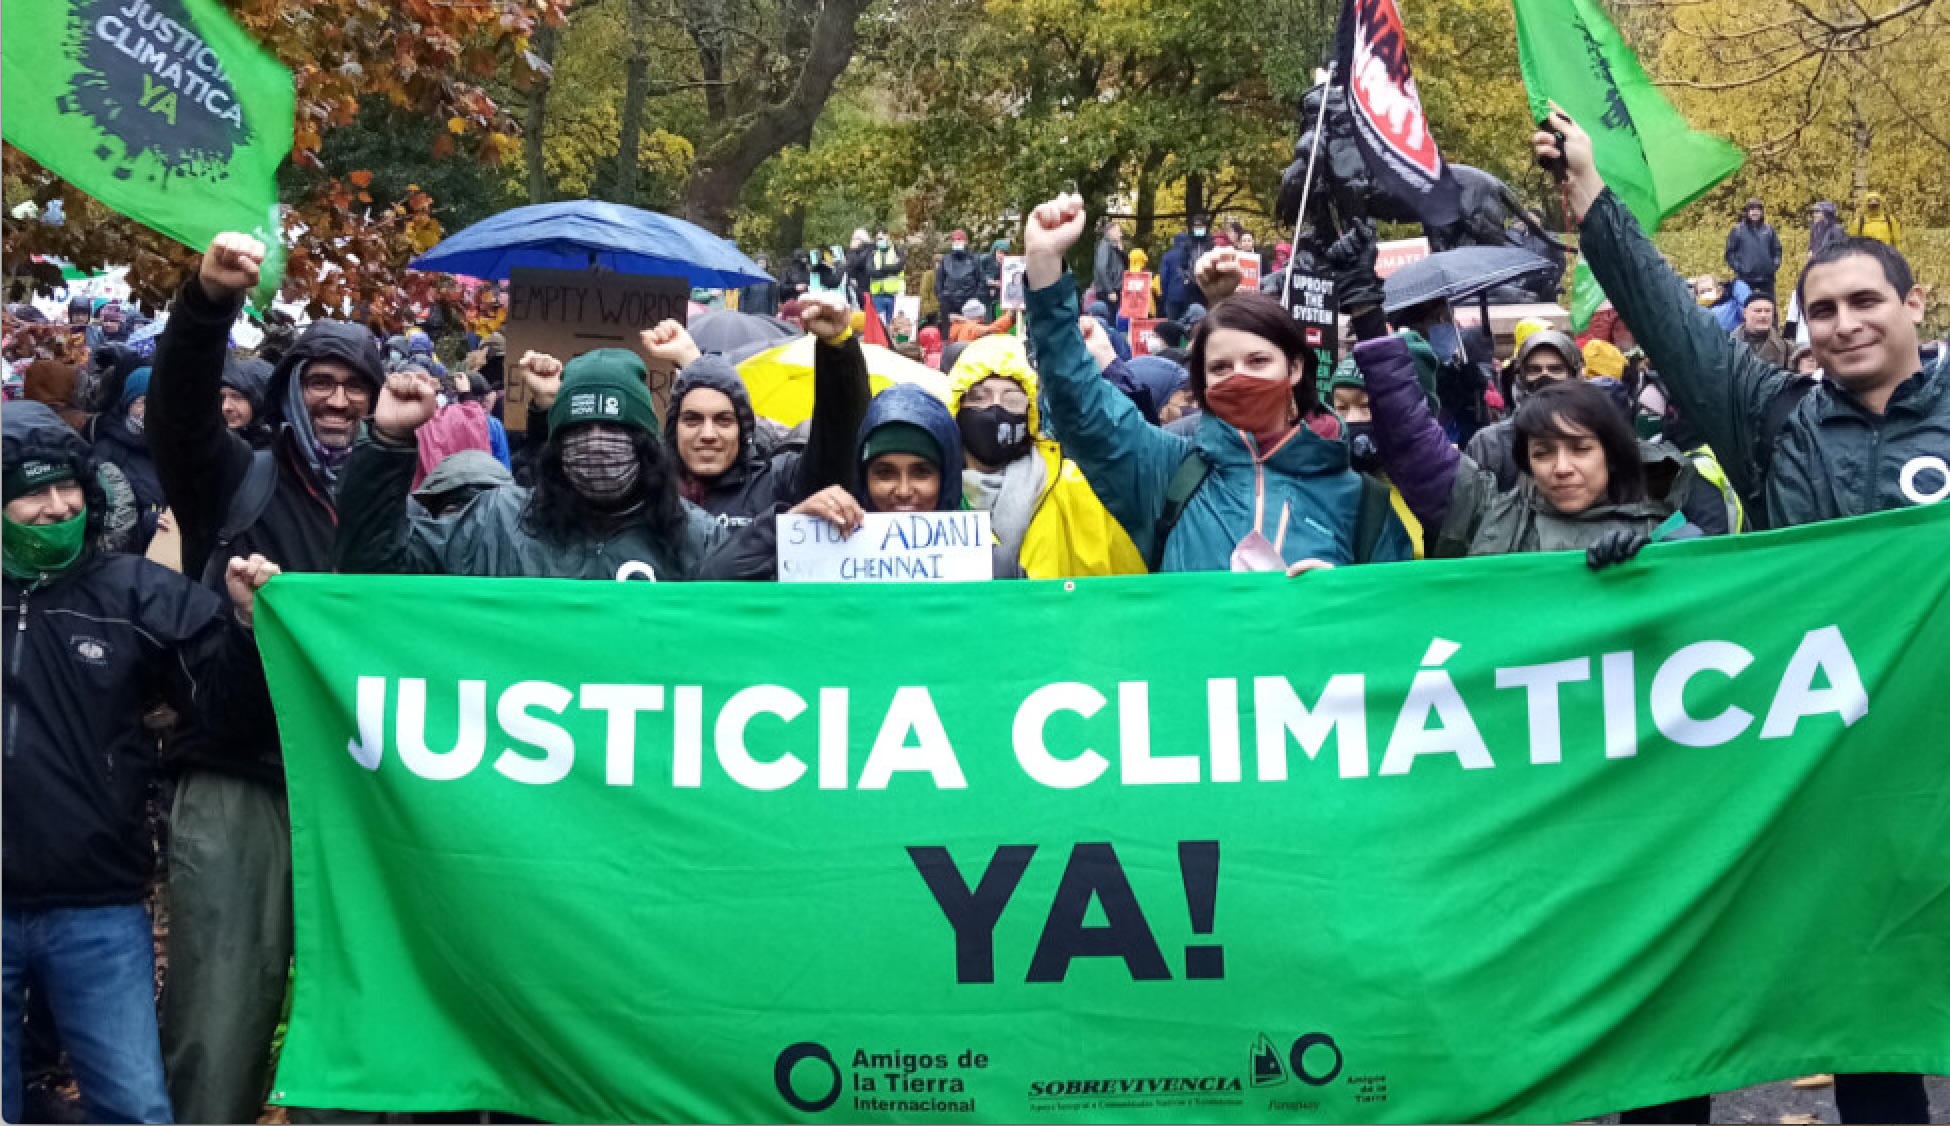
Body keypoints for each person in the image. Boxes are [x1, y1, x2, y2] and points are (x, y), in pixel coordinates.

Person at [1540, 108, 1945, 1123]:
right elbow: (1671, 323)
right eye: (1824, 310)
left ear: (1914, 304)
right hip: (1815, 766)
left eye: (1866, 301)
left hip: (1937, 761)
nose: (1845, 323)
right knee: (1864, 1009)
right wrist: (1590, 196)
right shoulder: (1771, 423)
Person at [146, 231, 384, 1125]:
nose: (337, 399)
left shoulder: (397, 492)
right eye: (320, 380)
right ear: (291, 389)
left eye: (355, 384)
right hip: (238, 773)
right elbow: (175, 413)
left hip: (356, 788)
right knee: (219, 1018)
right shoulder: (233, 481)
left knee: (354, 1018)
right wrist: (207, 304)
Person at [3, 400, 280, 1126]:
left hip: (97, 906)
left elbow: (222, 713)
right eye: (31, 490)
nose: (55, 508)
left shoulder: (133, 594)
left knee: (134, 1107)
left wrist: (248, 633)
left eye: (68, 489)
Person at [1021, 193, 1413, 573]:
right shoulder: (1168, 472)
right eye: (1221, 367)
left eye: (1258, 361)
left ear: (1294, 369)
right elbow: (1080, 405)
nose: (1240, 375)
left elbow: (1393, 625)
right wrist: (1043, 268)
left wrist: (1341, 602)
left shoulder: (1363, 504)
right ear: (1202, 383)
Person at [337, 347, 721, 580]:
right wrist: (387, 441)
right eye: (579, 430)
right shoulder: (495, 523)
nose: (597, 444)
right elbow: (376, 565)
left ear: (647, 447)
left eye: (615, 429)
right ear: (556, 449)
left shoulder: (700, 540)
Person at [654, 295, 868, 531]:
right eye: (692, 420)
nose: (707, 434)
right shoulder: (648, 491)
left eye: (723, 420)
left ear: (743, 429)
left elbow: (835, 446)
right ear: (674, 428)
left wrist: (837, 348)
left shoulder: (777, 486)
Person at [946, 334, 1145, 578]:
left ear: (1030, 411)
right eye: (979, 397)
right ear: (956, 405)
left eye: (1012, 398)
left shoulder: (1071, 485)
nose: (995, 409)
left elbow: (1118, 584)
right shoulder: (926, 487)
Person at [1466, 329, 1584, 489]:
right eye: (1534, 370)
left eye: (1555, 369)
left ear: (1574, 374)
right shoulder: (1489, 443)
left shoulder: (1596, 436)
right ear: (1520, 377)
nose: (1545, 376)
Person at [87, 365, 165, 553]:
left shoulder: (173, 446)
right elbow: (106, 518)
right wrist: (148, 521)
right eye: (144, 401)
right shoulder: (107, 452)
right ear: (128, 404)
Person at [1723, 197, 1782, 298]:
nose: (1755, 212)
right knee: (1746, 307)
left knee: (1769, 307)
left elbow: (1777, 250)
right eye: (1752, 209)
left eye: (1758, 210)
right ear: (1747, 212)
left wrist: (1773, 266)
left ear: (1761, 212)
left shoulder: (1769, 230)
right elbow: (1730, 253)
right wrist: (1740, 268)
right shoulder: (1738, 230)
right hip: (1746, 279)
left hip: (1766, 279)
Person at [935, 232, 985, 332]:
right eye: (954, 240)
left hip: (969, 303)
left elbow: (981, 280)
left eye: (959, 239)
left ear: (965, 242)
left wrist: (974, 300)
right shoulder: (946, 260)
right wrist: (943, 299)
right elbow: (939, 282)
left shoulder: (974, 259)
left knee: (968, 333)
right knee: (949, 335)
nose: (957, 242)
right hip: (949, 303)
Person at [220, 355, 274, 448]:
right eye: (223, 397)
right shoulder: (224, 440)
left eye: (236, 397)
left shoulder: (282, 449)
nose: (225, 407)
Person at [1735, 292, 1789, 367]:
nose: (1763, 315)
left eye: (1767, 311)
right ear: (1745, 313)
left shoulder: (1788, 349)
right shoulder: (1726, 346)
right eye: (1758, 311)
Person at [868, 230, 906, 324]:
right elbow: (870, 271)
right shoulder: (873, 253)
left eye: (881, 238)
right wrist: (888, 271)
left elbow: (898, 267)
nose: (879, 241)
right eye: (877, 239)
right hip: (878, 295)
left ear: (888, 237)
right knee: (880, 326)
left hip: (895, 295)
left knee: (895, 325)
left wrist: (883, 268)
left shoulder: (897, 251)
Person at [1093, 221, 1129, 310]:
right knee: (1110, 319)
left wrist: (1121, 252)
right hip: (1108, 291)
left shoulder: (1115, 248)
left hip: (1115, 288)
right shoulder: (1105, 246)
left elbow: (1126, 265)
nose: (1121, 235)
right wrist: (1110, 290)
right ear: (1111, 231)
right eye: (1118, 231)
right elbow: (1101, 268)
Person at [1159, 233, 1195, 321]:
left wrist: (1164, 295)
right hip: (1189, 295)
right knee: (1188, 324)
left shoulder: (1167, 256)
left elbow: (1163, 278)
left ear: (1174, 242)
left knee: (1172, 324)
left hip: (1172, 295)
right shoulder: (1192, 255)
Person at [844, 228, 874, 309]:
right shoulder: (856, 251)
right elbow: (847, 267)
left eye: (855, 239)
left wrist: (852, 251)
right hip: (855, 287)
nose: (853, 241)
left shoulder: (868, 250)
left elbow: (856, 263)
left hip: (865, 288)